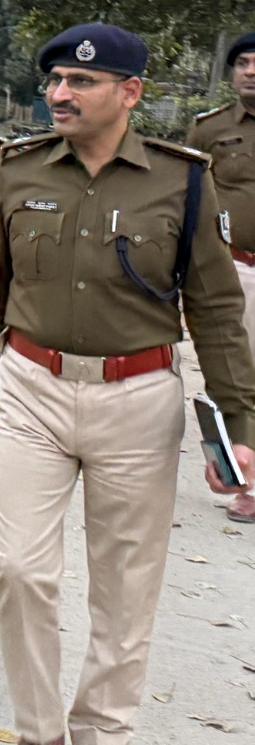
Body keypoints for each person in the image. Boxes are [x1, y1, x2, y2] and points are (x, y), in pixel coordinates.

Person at [0, 23, 255, 745]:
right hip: (30, 389)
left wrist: (239, 428)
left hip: (137, 398)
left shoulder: (181, 179)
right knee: (19, 570)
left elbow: (216, 311)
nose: (60, 93)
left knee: (125, 587)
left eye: (81, 82)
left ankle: (101, 730)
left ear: (129, 92)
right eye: (55, 80)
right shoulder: (18, 170)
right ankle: (40, 731)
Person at [188, 30, 255, 521]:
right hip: (235, 268)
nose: (251, 71)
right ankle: (239, 478)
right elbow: (184, 197)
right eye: (243, 63)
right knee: (232, 374)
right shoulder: (209, 130)